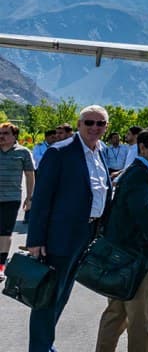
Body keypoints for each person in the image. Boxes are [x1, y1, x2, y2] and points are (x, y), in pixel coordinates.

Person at [27, 105, 112, 352]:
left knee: (63, 293)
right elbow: (41, 200)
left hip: (87, 234)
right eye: (89, 122)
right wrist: (35, 239)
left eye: (100, 124)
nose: (95, 128)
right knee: (48, 296)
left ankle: (46, 343)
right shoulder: (60, 153)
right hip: (59, 236)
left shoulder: (101, 152)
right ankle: (40, 348)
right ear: (79, 124)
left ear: (106, 127)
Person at [94, 127, 148, 352]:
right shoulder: (140, 172)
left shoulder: (138, 170)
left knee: (115, 314)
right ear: (142, 147)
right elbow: (142, 208)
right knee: (140, 320)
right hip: (138, 257)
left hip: (122, 256)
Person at [0, 122, 34, 281]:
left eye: (6, 133)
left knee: (5, 233)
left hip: (11, 199)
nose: (2, 136)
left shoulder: (23, 152)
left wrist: (29, 197)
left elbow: (29, 175)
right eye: (0, 133)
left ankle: (1, 266)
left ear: (15, 136)